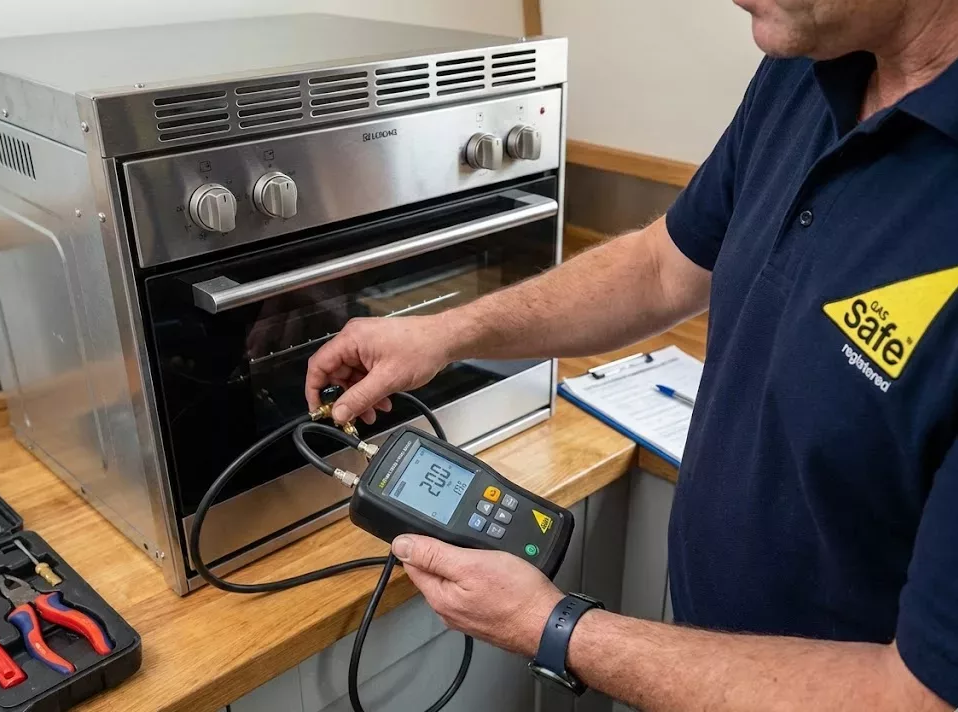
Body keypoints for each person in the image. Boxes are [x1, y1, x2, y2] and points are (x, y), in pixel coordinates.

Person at [305, 0, 958, 708]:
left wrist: (554, 629)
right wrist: (444, 332)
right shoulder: (805, 66)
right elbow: (661, 267)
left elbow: (918, 696)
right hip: (709, 661)